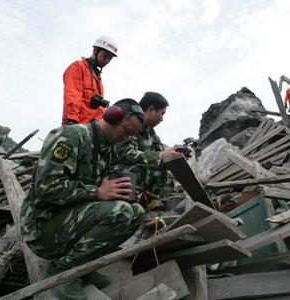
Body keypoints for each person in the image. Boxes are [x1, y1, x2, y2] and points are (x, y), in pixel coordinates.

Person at [20, 99, 144, 300]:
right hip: (42, 229)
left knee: (136, 212)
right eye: (126, 130)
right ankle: (64, 272)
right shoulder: (70, 137)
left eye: (131, 134)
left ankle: (83, 265)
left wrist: (118, 191)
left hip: (67, 221)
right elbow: (47, 188)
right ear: (113, 116)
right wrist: (99, 193)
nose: (126, 138)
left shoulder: (105, 149)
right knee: (120, 212)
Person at [112, 92, 183, 214]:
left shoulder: (150, 132)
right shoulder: (131, 125)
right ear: (151, 110)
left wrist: (176, 154)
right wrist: (160, 156)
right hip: (114, 170)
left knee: (160, 169)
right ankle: (124, 209)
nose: (162, 119)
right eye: (161, 113)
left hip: (128, 170)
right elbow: (126, 154)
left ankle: (144, 211)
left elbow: (161, 151)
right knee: (144, 169)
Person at [62, 35, 118, 125]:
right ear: (95, 50)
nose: (107, 60)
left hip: (94, 129)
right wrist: (72, 124)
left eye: (110, 58)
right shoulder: (78, 67)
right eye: (105, 55)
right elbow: (72, 97)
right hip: (79, 127)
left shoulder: (98, 77)